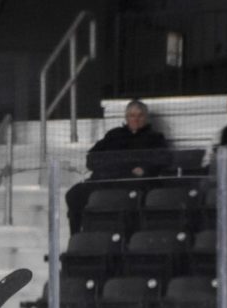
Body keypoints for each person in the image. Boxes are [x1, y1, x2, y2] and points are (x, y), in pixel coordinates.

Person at [65, 99, 168, 235]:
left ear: (146, 118)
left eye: (140, 115)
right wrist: (120, 167)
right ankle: (76, 237)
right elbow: (92, 159)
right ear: (126, 118)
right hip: (106, 180)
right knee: (74, 194)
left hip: (132, 184)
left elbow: (161, 160)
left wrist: (144, 169)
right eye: (132, 115)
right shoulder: (113, 135)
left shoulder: (155, 138)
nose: (135, 119)